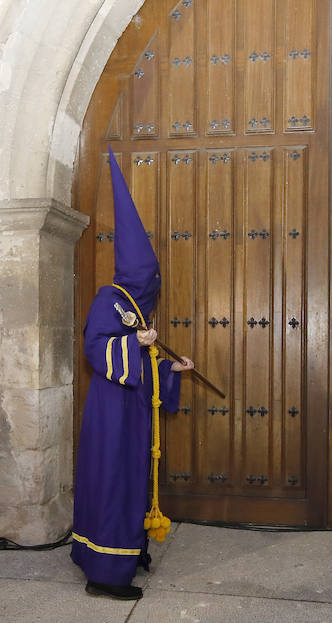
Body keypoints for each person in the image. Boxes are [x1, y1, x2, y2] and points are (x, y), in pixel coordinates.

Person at [71, 147, 193, 600]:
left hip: (133, 414)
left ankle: (129, 548)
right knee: (112, 480)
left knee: (134, 479)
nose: (152, 283)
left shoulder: (138, 308)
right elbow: (94, 348)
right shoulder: (110, 299)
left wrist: (171, 367)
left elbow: (144, 363)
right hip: (111, 415)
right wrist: (132, 343)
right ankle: (104, 573)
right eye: (148, 276)